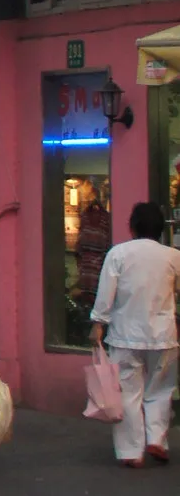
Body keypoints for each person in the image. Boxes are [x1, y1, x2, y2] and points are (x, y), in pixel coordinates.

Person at [87, 200, 180, 469]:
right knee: (160, 389)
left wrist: (98, 323)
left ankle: (131, 451)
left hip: (126, 334)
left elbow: (106, 294)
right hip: (164, 334)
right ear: (160, 229)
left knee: (129, 392)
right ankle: (157, 439)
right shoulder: (173, 256)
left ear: (132, 226)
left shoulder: (118, 254)